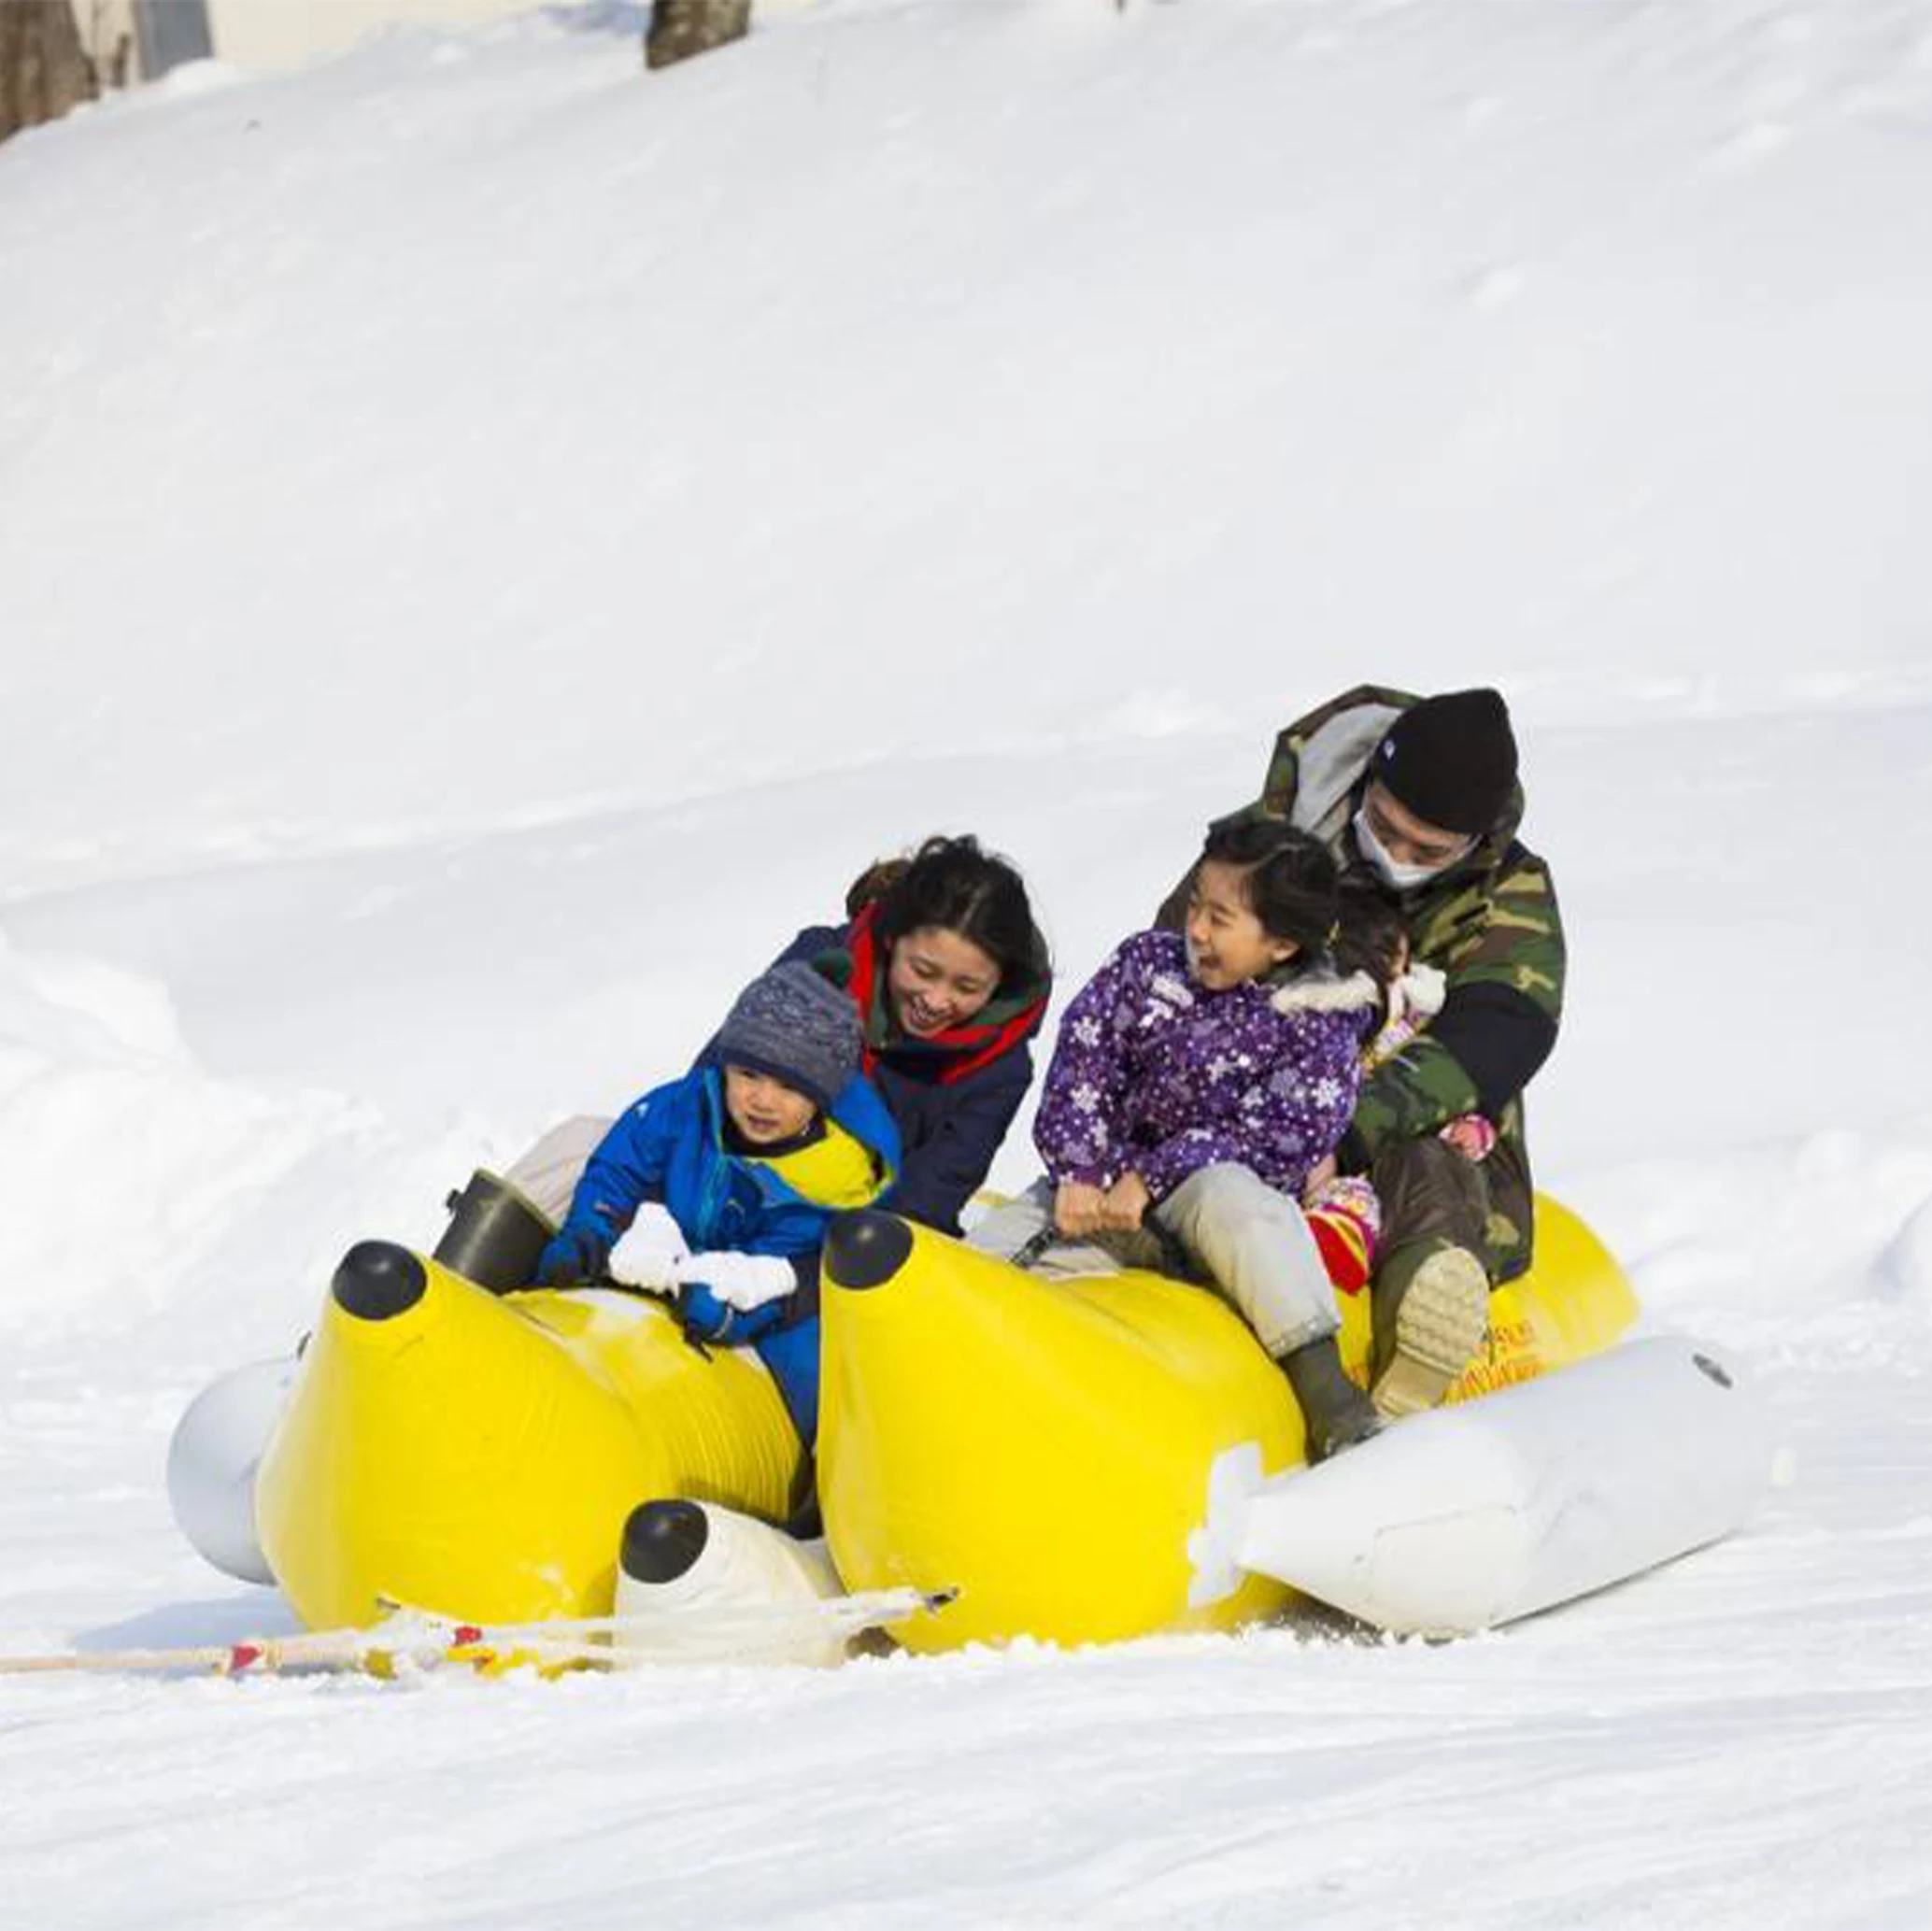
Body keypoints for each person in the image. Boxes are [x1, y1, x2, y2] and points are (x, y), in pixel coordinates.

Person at [1159, 684, 1565, 1420]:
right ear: (1366, 783)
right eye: (1386, 827)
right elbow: (1178, 961)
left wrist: (1343, 1131)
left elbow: (1503, 1028)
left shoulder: (1508, 890)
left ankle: (1420, 1325)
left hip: (1402, 1125)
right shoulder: (1270, 847)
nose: (1400, 857)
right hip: (1243, 1101)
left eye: (1428, 850)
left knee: (1428, 1168)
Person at [975, 818, 1399, 1462]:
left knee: (1235, 1200)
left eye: (1220, 917)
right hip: (1106, 1201)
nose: (1196, 927)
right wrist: (1080, 1168)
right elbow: (1085, 1055)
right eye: (1196, 903)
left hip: (1208, 1210)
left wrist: (1154, 1176)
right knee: (986, 1259)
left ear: (1281, 942)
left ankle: (1326, 1390)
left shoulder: (1317, 1019)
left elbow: (1281, 1135)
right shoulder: (1147, 964)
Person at [533, 958, 900, 1448]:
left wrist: (741, 1310)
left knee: (811, 1363)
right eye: (748, 1074)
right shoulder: (684, 1107)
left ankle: (822, 1467)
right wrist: (592, 1229)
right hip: (675, 1250)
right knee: (556, 1271)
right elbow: (621, 1168)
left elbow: (786, 1270)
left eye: (790, 1087)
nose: (763, 1100)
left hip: (787, 1290)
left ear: (821, 1096)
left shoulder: (828, 1180)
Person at [771, 834, 1052, 1237]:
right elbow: (716, 1086)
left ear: (999, 984)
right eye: (922, 971)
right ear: (892, 938)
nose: (936, 1000)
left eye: (967, 988)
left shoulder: (998, 1068)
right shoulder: (817, 968)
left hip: (861, 1241)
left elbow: (928, 1199)